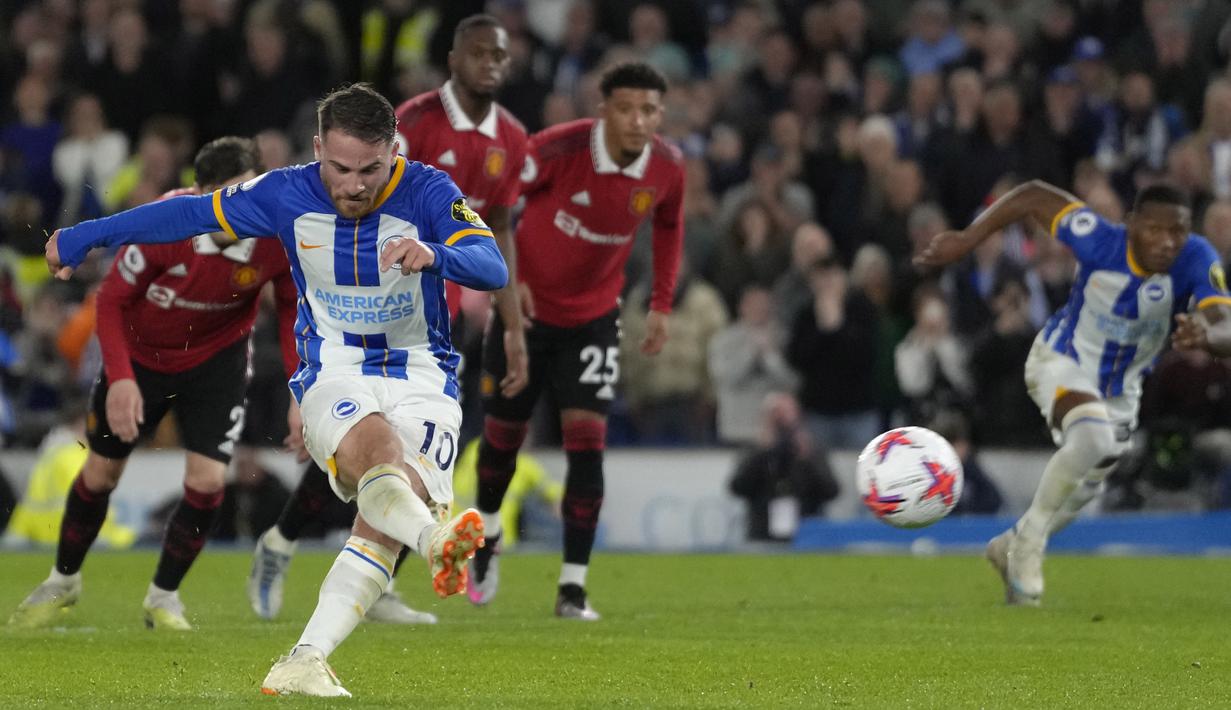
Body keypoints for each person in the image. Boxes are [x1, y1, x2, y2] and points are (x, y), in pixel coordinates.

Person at [43, 84, 508, 697]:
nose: (354, 185)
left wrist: (435, 254)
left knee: (385, 516)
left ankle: (306, 658)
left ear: (393, 151)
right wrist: (87, 235)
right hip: (334, 369)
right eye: (340, 168)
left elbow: (491, 264)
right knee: (380, 459)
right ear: (318, 151)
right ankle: (435, 539)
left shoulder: (426, 191)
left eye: (371, 169)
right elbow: (185, 213)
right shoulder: (285, 192)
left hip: (425, 376)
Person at [246, 12, 529, 628]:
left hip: (437, 314)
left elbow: (499, 231)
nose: (491, 66)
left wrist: (511, 326)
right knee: (367, 456)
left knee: (412, 461)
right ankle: (283, 541)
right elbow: (352, 202)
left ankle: (380, 583)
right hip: (369, 305)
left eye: (500, 57)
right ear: (454, 58)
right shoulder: (415, 122)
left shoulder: (511, 136)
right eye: (479, 54)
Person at [9, 136, 299, 632]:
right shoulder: (170, 224)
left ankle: (163, 597)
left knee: (208, 483)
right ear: (200, 191)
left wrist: (299, 391)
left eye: (246, 194)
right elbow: (111, 301)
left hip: (218, 361)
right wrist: (121, 379)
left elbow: (292, 304)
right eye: (226, 197)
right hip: (142, 359)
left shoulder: (274, 231)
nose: (238, 209)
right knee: (101, 475)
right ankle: (63, 580)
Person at [916, 179, 1231, 606]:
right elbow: (1031, 195)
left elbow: (1224, 323)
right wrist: (969, 238)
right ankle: (1028, 547)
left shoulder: (1197, 258)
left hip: (1122, 391)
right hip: (1060, 361)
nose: (1167, 241)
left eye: (1177, 230)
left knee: (1085, 489)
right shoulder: (1098, 239)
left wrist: (1208, 335)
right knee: (1093, 438)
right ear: (1132, 225)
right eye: (1155, 230)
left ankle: (1008, 543)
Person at [472, 61, 685, 619]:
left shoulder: (667, 166)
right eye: (626, 108)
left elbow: (669, 225)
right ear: (603, 110)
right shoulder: (558, 150)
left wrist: (662, 303)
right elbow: (496, 208)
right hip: (526, 314)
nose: (638, 121)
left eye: (649, 110)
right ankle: (488, 535)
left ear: (660, 115)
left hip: (593, 320)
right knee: (502, 438)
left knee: (587, 445)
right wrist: (507, 282)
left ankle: (572, 588)